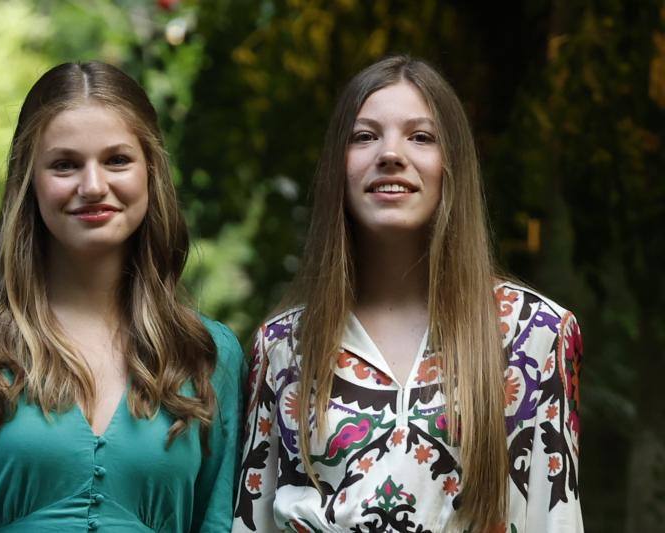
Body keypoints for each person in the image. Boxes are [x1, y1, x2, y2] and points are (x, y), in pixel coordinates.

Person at [0, 61, 244, 532]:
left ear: (151, 173)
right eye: (65, 164)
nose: (92, 186)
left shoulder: (208, 356)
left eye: (117, 160)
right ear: (29, 181)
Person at [232, 55, 583, 533]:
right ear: (339, 166)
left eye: (420, 136)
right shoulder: (282, 345)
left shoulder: (536, 334)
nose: (390, 153)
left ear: (452, 165)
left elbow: (555, 519)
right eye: (364, 136)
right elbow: (251, 524)